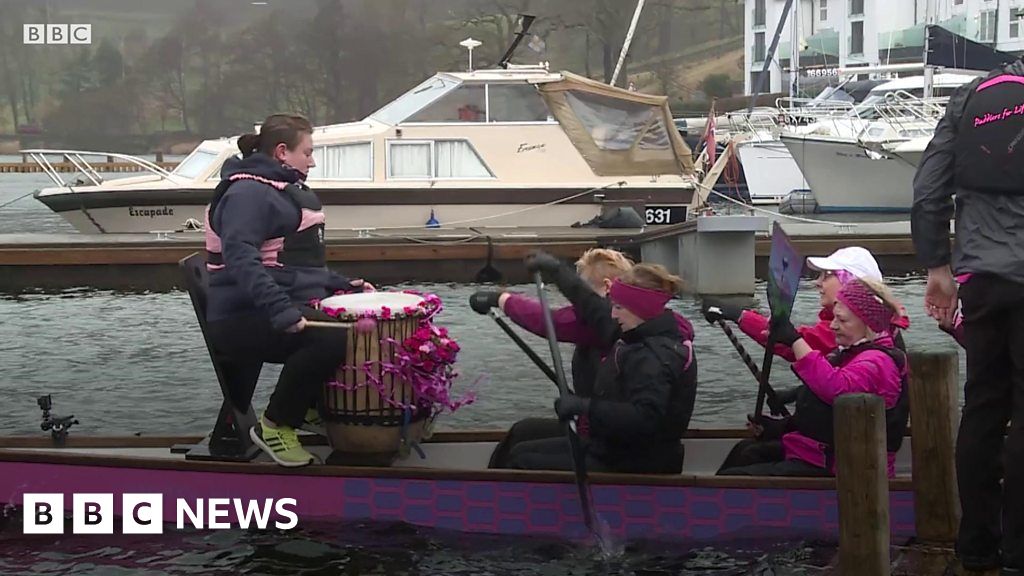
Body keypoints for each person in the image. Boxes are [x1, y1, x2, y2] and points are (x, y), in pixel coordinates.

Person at [203, 113, 374, 468]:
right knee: (330, 338)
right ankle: (276, 425)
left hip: (261, 307)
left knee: (347, 322)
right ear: (282, 152)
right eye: (307, 152)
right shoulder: (248, 193)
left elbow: (296, 264)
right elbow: (241, 258)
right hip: (240, 318)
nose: (312, 161)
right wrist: (282, 310)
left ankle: (308, 408)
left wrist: (342, 285)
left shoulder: (275, 189)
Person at [912, 60, 1024, 575]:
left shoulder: (969, 99)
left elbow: (928, 188)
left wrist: (938, 267)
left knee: (982, 406)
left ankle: (976, 546)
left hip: (980, 278)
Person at [499, 262, 697, 474]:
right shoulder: (636, 330)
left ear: (640, 309)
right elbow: (591, 305)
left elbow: (644, 417)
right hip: (612, 448)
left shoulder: (655, 356)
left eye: (618, 307)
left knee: (523, 462)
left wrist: (585, 407)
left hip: (636, 462)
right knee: (519, 450)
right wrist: (556, 270)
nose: (612, 314)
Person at [468, 248, 644, 468]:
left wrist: (502, 299)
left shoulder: (613, 320)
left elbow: (550, 321)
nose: (576, 303)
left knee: (521, 457)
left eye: (581, 293)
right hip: (596, 424)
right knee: (522, 431)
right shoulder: (615, 316)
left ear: (608, 286)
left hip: (611, 440)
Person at [717, 277, 909, 478]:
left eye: (842, 320)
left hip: (848, 467)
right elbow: (825, 412)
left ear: (869, 325)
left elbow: (836, 389)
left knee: (736, 477)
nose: (833, 325)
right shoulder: (851, 353)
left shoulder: (877, 362)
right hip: (819, 453)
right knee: (746, 452)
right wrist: (779, 427)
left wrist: (795, 341)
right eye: (834, 318)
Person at [704, 246, 908, 362]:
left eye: (827, 276)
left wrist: (738, 314)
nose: (818, 283)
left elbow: (798, 343)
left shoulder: (854, 329)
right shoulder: (876, 324)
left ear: (850, 282)